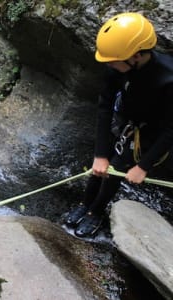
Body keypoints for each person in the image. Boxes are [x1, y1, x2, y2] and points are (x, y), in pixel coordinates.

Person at [64, 12, 173, 238]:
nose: (110, 64)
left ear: (136, 55)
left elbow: (170, 129)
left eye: (114, 61)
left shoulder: (168, 80)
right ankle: (85, 203)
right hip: (123, 117)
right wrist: (100, 154)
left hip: (150, 130)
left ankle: (96, 211)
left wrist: (143, 166)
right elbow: (105, 105)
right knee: (101, 166)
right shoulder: (117, 64)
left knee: (116, 169)